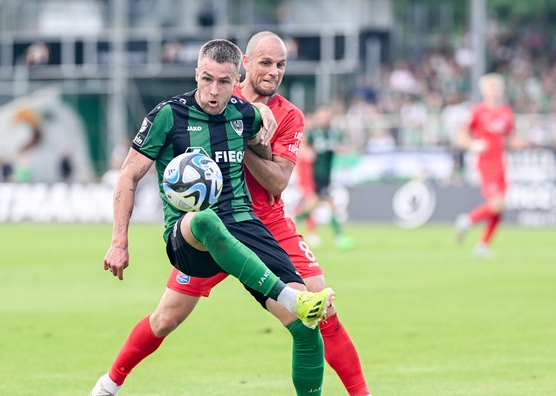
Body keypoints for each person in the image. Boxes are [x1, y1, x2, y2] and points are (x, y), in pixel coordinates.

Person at [91, 33, 370, 396]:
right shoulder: (183, 111)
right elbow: (129, 173)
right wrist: (118, 242)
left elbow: (279, 181)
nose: (273, 72)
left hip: (260, 224)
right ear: (246, 66)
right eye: (265, 63)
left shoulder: (269, 116)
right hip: (202, 231)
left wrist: (245, 141)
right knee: (166, 318)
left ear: (232, 78)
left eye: (280, 65)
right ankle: (108, 384)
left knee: (315, 317)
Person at [454, 73, 527, 259]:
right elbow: (461, 137)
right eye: (490, 86)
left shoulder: (506, 112)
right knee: (496, 204)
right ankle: (467, 220)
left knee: (500, 208)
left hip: (501, 163)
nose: (494, 90)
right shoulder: (477, 111)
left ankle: (482, 246)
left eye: (496, 86)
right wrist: (473, 145)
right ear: (483, 90)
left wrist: (522, 143)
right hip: (485, 163)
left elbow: (511, 139)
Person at [295, 103, 356, 250]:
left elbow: (342, 147)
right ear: (318, 116)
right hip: (314, 175)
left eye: (327, 115)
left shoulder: (334, 133)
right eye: (323, 115)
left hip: (326, 176)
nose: (325, 118)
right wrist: (307, 153)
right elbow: (302, 146)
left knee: (314, 205)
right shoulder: (313, 133)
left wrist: (342, 150)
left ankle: (291, 224)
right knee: (329, 204)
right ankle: (339, 237)